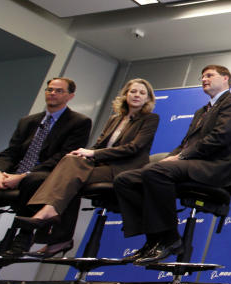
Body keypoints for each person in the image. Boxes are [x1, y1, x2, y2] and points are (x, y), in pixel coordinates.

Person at [112, 65, 231, 265]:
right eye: (202, 76)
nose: (204, 79)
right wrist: (173, 156)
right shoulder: (202, 110)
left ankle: (170, 239)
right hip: (192, 162)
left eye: (209, 75)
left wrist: (181, 157)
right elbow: (186, 143)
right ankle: (155, 239)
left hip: (214, 167)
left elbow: (221, 137)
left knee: (156, 172)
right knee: (125, 180)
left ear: (226, 78)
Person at [15, 78, 159, 258]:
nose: (137, 95)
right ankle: (55, 225)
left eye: (142, 93)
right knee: (70, 162)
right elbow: (98, 145)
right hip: (101, 166)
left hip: (124, 169)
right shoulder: (115, 119)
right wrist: (83, 153)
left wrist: (93, 154)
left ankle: (52, 220)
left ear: (148, 99)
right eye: (133, 91)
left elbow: (133, 148)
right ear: (125, 95)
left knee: (71, 177)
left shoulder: (150, 119)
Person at [0, 77, 92, 254]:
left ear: (70, 96)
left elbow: (64, 157)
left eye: (59, 91)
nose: (52, 93)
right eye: (50, 89)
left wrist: (23, 176)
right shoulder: (27, 121)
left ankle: (25, 235)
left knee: (34, 180)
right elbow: (11, 152)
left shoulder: (79, 122)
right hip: (12, 172)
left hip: (45, 173)